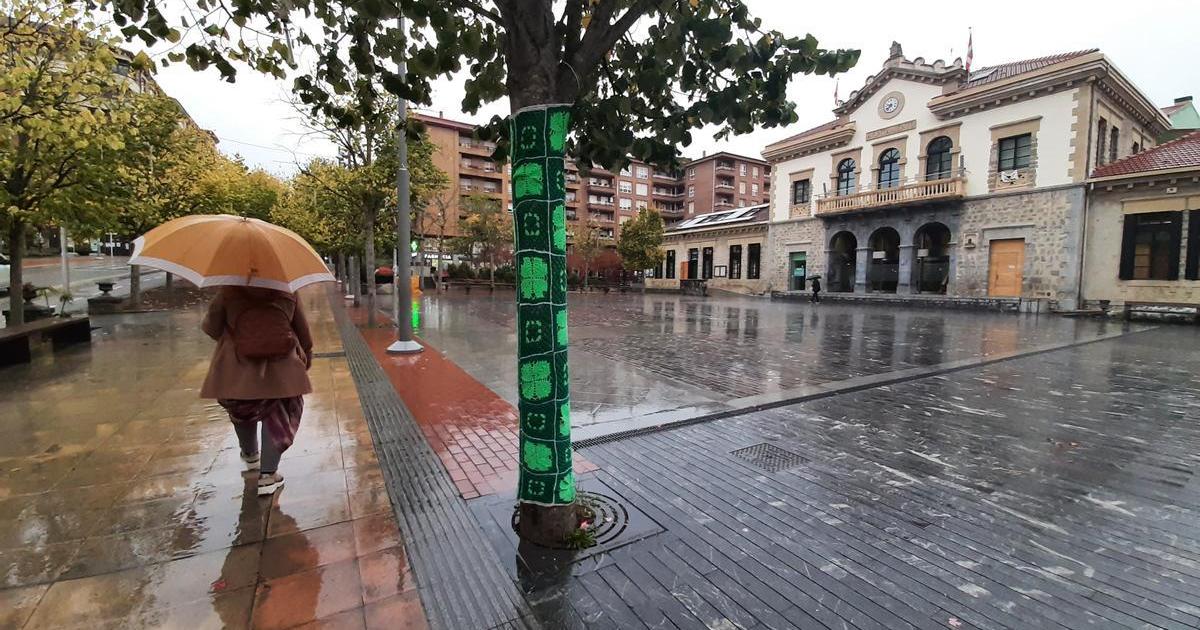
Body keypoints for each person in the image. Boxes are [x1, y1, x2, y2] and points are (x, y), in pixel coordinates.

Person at [201, 286, 313, 496]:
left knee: (241, 407)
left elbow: (211, 327)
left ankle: (251, 455)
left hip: (236, 366)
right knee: (278, 412)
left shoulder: (229, 290)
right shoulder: (287, 290)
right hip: (281, 367)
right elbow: (303, 332)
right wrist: (306, 354)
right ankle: (268, 476)